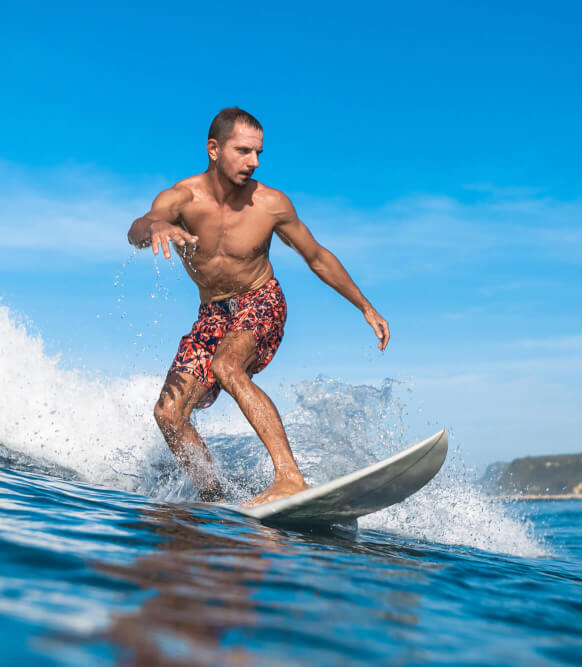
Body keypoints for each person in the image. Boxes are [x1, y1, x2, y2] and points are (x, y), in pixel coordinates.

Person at [128, 107, 390, 506]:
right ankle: (213, 495)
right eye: (243, 151)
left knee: (226, 366)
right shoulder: (181, 198)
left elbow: (316, 256)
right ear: (214, 149)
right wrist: (155, 228)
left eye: (258, 153)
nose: (253, 162)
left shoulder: (269, 204)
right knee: (168, 414)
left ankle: (290, 478)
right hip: (212, 316)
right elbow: (138, 228)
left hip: (261, 300)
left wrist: (365, 307)